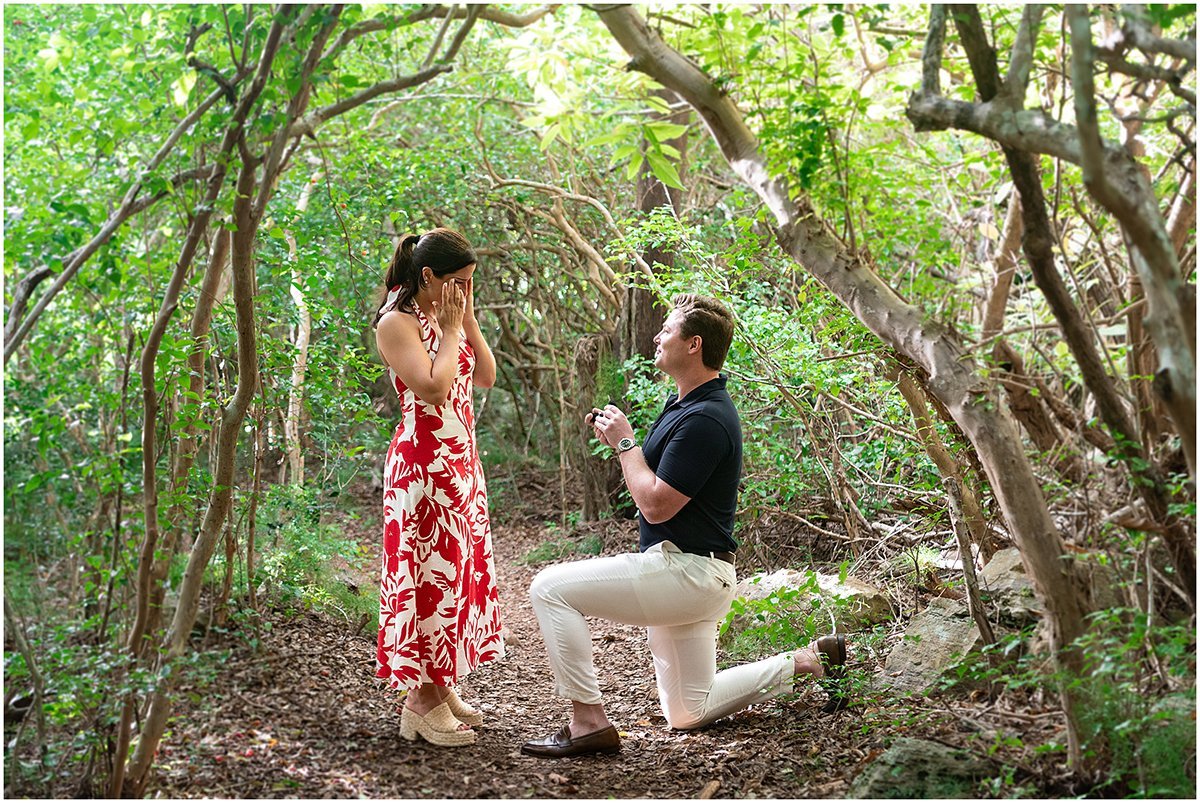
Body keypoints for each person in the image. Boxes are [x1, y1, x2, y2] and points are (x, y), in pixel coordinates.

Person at [522, 294, 847, 758]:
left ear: (693, 345)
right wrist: (626, 441)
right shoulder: (688, 407)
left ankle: (586, 722)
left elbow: (656, 506)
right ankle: (811, 660)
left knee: (548, 588)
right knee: (688, 711)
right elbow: (653, 486)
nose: (657, 336)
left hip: (687, 573)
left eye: (667, 330)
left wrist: (625, 443)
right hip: (697, 575)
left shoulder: (706, 419)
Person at [373, 227, 504, 747]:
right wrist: (451, 330)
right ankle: (419, 704)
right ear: (427, 275)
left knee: (455, 577)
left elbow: (486, 376)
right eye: (458, 283)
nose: (464, 292)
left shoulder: (449, 317)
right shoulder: (395, 322)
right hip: (422, 468)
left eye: (471, 284)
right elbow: (431, 386)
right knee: (429, 578)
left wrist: (466, 322)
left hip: (460, 464)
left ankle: (440, 683)